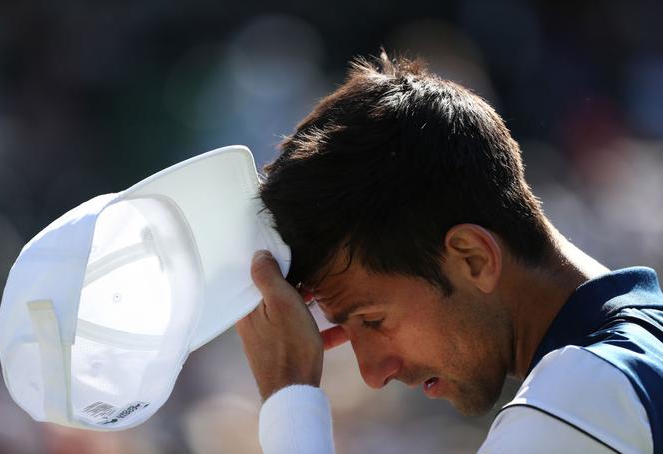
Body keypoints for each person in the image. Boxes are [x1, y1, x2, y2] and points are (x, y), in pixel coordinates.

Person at [235, 52, 663, 453]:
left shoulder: (581, 398)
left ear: (473, 257)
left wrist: (289, 397)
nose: (373, 373)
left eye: (372, 320)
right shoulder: (629, 366)